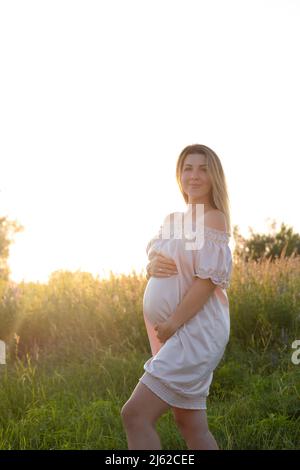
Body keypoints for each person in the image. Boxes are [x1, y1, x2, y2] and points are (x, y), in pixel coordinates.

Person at [121, 144, 233, 450]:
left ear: (214, 176)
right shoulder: (173, 220)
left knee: (134, 415)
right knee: (190, 423)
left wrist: (172, 323)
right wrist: (151, 264)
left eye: (202, 168)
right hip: (177, 332)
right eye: (187, 167)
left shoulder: (213, 219)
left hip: (194, 330)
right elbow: (158, 257)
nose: (194, 175)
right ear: (178, 174)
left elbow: (206, 281)